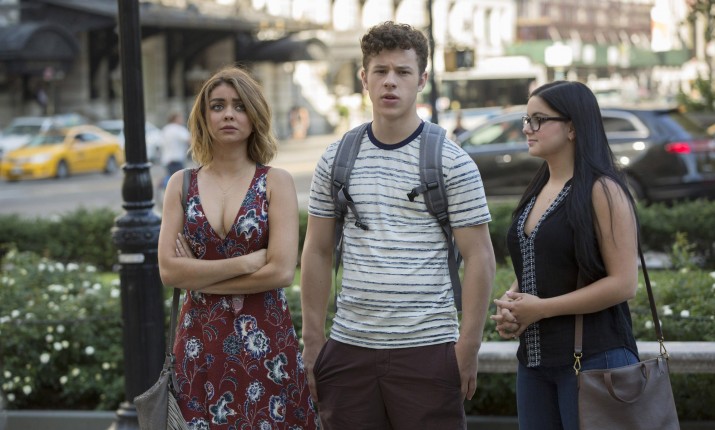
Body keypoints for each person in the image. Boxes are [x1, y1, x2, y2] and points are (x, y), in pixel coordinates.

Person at [300, 21, 496, 429]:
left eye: (403, 72)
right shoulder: (336, 158)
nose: (391, 81)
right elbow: (317, 250)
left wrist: (468, 347)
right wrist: (314, 342)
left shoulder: (452, 161)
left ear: (422, 79)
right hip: (349, 349)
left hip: (428, 350)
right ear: (364, 79)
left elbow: (480, 257)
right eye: (381, 71)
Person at [157, 65, 319, 429]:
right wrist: (246, 263)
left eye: (239, 106)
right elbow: (169, 271)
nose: (228, 114)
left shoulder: (276, 182)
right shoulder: (180, 184)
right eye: (218, 106)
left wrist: (198, 277)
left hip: (267, 345)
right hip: (199, 345)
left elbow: (280, 271)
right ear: (204, 116)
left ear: (255, 115)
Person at [490, 80, 640, 430]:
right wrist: (514, 304)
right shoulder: (539, 187)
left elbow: (624, 283)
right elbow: (542, 258)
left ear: (572, 127)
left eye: (539, 120)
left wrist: (541, 308)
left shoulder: (603, 189)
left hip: (595, 360)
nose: (527, 128)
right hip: (535, 364)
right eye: (526, 119)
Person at [160, 112, 190, 179]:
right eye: (180, 118)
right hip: (177, 159)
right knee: (180, 180)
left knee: (171, 178)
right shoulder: (178, 129)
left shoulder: (165, 129)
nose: (182, 119)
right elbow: (189, 140)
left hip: (167, 159)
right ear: (176, 119)